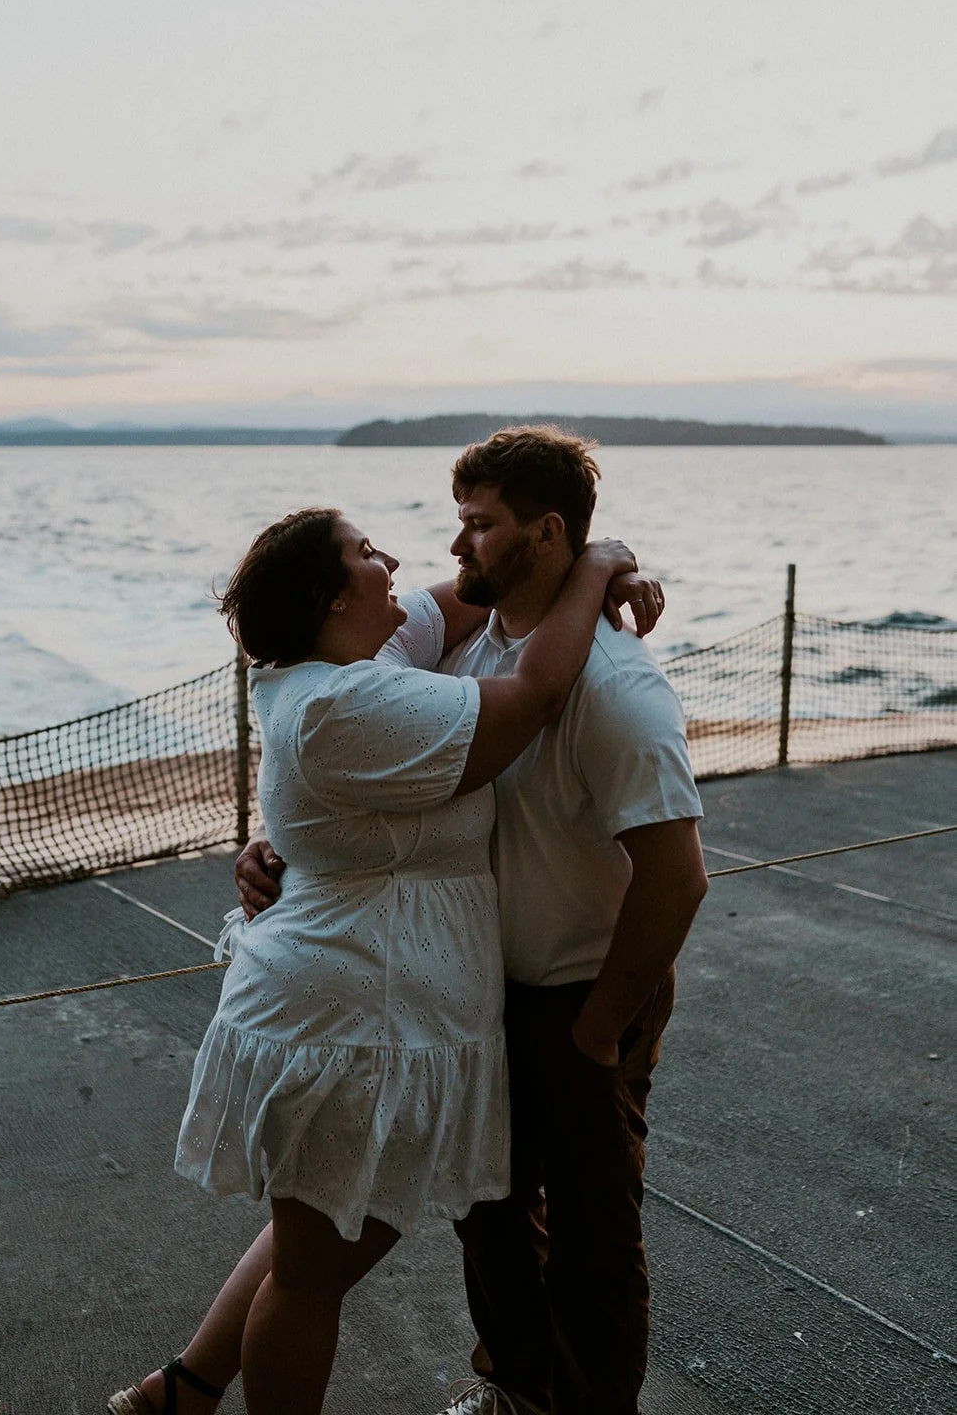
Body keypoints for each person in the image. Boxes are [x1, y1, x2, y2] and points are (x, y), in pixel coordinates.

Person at [108, 503, 650, 1415]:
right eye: (367, 553)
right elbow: (534, 694)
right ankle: (193, 1392)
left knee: (315, 1233)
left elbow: (460, 601)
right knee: (313, 1272)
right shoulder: (354, 700)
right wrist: (596, 566)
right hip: (359, 1021)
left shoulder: (347, 667)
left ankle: (187, 1389)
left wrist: (568, 564)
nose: (391, 557)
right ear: (327, 598)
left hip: (360, 1008)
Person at [238, 427, 708, 1415]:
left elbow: (677, 878)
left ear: (542, 536)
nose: (448, 549)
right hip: (481, 991)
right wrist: (291, 842)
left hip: (579, 989)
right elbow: (374, 758)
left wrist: (599, 1019)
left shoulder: (614, 689)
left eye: (477, 526)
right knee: (488, 1213)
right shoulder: (463, 648)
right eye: (456, 523)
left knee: (590, 1234)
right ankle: (514, 1386)